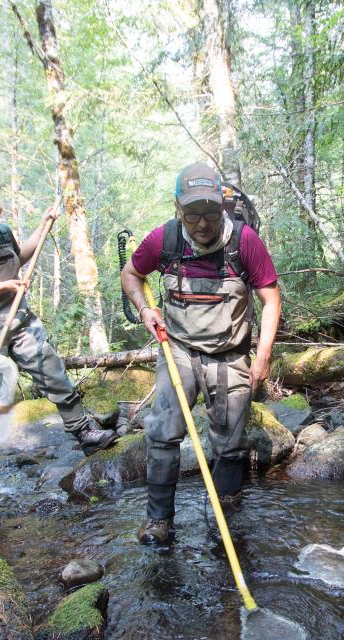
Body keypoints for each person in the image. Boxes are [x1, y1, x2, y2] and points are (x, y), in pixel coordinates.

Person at [120, 162, 282, 546]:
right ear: (178, 209)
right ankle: (159, 521)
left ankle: (226, 514)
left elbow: (271, 299)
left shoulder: (244, 242)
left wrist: (262, 356)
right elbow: (131, 274)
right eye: (192, 215)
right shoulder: (164, 240)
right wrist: (146, 309)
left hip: (231, 353)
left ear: (221, 208)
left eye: (210, 213)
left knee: (230, 441)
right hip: (177, 347)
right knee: (163, 433)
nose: (203, 224)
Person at [0, 179, 117, 491]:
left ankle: (83, 432)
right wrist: (3, 287)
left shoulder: (2, 232)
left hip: (20, 320)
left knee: (50, 369)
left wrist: (42, 227)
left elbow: (20, 256)